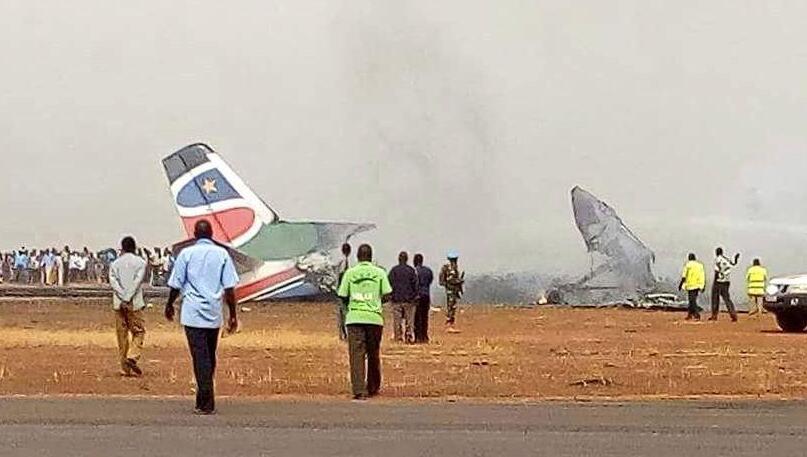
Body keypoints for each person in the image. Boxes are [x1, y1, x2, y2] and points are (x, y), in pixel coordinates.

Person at [165, 220, 239, 415]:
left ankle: (206, 401)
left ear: (195, 235)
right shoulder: (222, 254)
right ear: (212, 234)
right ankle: (203, 398)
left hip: (192, 313)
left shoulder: (186, 254)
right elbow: (230, 288)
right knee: (209, 356)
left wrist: (169, 305)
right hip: (213, 313)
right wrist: (233, 314)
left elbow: (176, 284)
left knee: (200, 357)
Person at [337, 244, 392, 400]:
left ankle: (359, 389)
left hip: (355, 318)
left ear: (358, 257)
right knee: (373, 353)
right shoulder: (379, 272)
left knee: (356, 355)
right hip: (374, 318)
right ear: (371, 256)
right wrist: (376, 302)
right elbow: (388, 293)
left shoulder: (350, 273)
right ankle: (373, 386)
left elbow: (342, 294)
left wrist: (352, 306)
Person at [109, 236, 148, 377]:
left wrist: (122, 297)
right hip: (135, 304)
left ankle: (125, 368)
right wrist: (128, 297)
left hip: (118, 304)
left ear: (123, 248)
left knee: (122, 336)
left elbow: (113, 282)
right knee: (138, 332)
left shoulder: (115, 264)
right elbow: (137, 282)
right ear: (134, 247)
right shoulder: (141, 263)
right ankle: (132, 356)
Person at [388, 251, 418, 344]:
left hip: (396, 299)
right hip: (409, 299)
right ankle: (409, 336)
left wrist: (390, 295)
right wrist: (415, 296)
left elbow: (389, 284)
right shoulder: (411, 270)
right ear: (407, 259)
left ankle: (398, 337)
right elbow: (415, 284)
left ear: (399, 259)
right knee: (409, 320)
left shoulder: (393, 270)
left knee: (397, 320)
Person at [710, 247, 740, 322]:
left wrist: (715, 281)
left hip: (719, 280)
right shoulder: (726, 259)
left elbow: (717, 271)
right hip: (726, 281)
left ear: (716, 252)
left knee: (715, 298)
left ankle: (714, 315)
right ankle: (733, 314)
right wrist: (736, 258)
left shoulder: (717, 259)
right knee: (727, 298)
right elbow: (734, 263)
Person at [439, 251, 465, 332]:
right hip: (451, 290)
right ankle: (449, 324)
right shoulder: (450, 268)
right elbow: (450, 280)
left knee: (452, 307)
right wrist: (459, 281)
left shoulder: (451, 267)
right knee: (451, 307)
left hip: (453, 290)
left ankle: (450, 323)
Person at [678, 253, 706, 320]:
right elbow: (703, 276)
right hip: (698, 285)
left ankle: (697, 314)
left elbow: (684, 276)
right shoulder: (700, 265)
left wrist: (680, 284)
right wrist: (703, 285)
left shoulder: (688, 265)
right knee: (692, 300)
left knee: (692, 301)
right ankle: (689, 315)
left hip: (690, 285)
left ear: (689, 258)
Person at [413, 253, 433, 343]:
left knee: (417, 317)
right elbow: (430, 281)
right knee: (425, 317)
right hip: (426, 295)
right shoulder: (428, 271)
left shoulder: (414, 271)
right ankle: (425, 336)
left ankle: (418, 336)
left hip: (417, 296)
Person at [335, 243, 351, 341]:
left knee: (341, 314)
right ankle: (344, 334)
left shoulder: (340, 261)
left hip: (340, 291)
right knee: (345, 313)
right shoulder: (345, 262)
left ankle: (342, 334)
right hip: (345, 292)